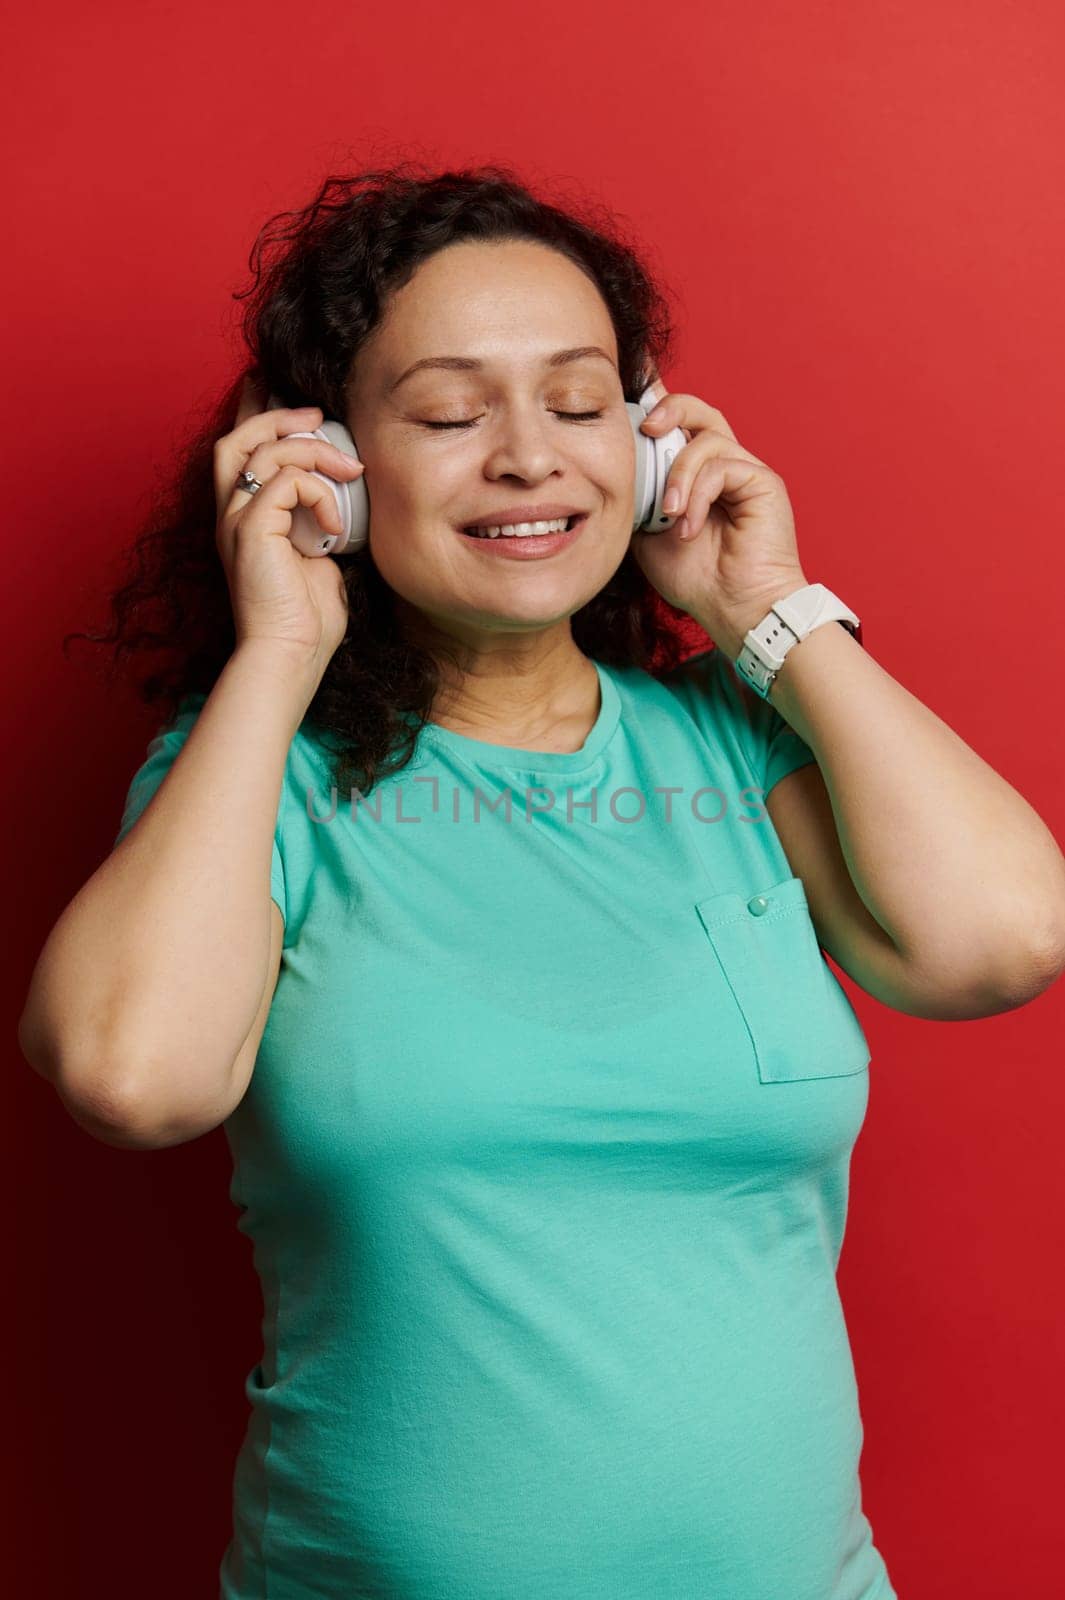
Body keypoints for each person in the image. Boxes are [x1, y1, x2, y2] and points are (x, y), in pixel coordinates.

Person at [19, 162, 1065, 1600]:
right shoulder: (255, 784)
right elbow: (134, 1077)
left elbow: (1003, 939)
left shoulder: (735, 743)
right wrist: (278, 650)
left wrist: (762, 610)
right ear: (327, 454)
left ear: (646, 443)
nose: (527, 457)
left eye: (579, 406)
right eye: (450, 414)